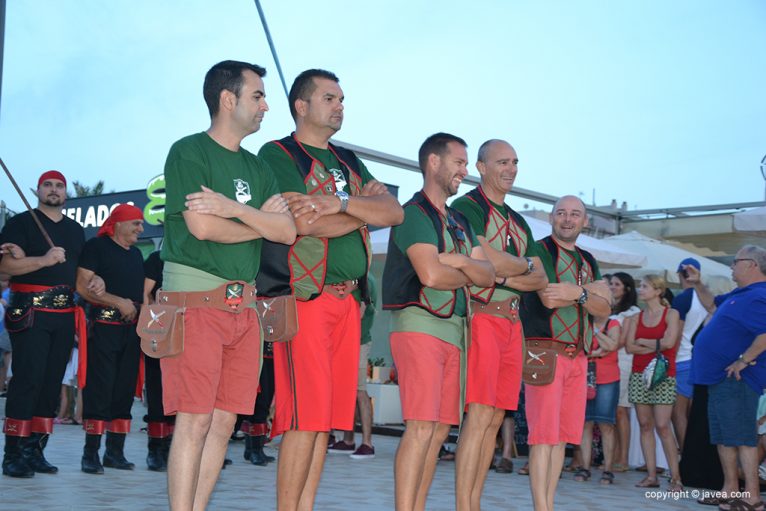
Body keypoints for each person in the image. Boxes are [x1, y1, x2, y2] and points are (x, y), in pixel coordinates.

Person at [258, 68, 403, 511]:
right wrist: (364, 211)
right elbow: (299, 222)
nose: (340, 106)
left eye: (341, 99)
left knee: (324, 423)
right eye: (329, 98)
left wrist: (339, 204)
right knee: (304, 420)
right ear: (301, 106)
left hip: (348, 302)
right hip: (305, 298)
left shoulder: (347, 162)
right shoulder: (279, 153)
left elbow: (393, 211)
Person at [160, 60, 296, 510]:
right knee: (194, 421)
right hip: (196, 302)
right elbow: (201, 227)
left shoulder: (258, 168)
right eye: (257, 96)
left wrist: (232, 209)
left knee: (223, 423)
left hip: (245, 309)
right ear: (228, 99)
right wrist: (261, 221)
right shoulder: (189, 152)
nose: (265, 106)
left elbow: (289, 232)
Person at [382, 132, 494, 511]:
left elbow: (488, 274)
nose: (465, 170)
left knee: (439, 429)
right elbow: (430, 275)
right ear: (434, 162)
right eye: (459, 162)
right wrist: (467, 268)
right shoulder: (413, 212)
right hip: (420, 327)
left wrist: (459, 262)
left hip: (454, 333)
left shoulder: (459, 220)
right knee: (421, 426)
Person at [450, 139, 547, 511]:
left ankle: (475, 500)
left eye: (515, 162)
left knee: (494, 418)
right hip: (481, 317)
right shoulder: (466, 206)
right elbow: (482, 257)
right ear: (481, 167)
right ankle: (464, 504)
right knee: (478, 416)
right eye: (502, 162)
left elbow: (540, 278)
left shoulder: (520, 221)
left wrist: (505, 274)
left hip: (512, 323)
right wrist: (518, 267)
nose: (511, 169)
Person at [0, 171, 104, 478]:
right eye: (48, 185)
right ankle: (13, 453)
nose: (54, 190)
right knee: (27, 379)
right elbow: (5, 266)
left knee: (50, 384)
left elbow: (80, 272)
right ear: (38, 190)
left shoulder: (74, 230)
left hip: (63, 315)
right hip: (29, 312)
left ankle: (35, 451)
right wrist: (43, 260)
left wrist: (95, 279)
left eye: (59, 185)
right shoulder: (21, 222)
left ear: (66, 192)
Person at [518, 195, 611, 511]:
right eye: (561, 213)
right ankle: (541, 507)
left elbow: (604, 307)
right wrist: (587, 296)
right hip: (543, 350)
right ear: (551, 218)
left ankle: (549, 505)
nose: (568, 219)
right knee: (542, 436)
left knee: (560, 438)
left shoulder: (588, 259)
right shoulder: (538, 251)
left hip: (578, 356)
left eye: (575, 214)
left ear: (585, 221)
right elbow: (548, 297)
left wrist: (578, 293)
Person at [691, 245, 766, 511]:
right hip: (720, 378)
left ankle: (752, 497)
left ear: (752, 265)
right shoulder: (740, 294)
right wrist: (698, 283)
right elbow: (712, 303)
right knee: (724, 436)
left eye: (735, 262)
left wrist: (743, 360)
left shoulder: (760, 295)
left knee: (743, 437)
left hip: (739, 378)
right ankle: (730, 489)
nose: (731, 267)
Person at [76, 204, 146, 474]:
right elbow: (83, 286)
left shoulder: (137, 254)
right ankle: (90, 453)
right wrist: (117, 301)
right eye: (136, 224)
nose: (141, 229)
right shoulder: (97, 247)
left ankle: (115, 453)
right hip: (104, 328)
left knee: (124, 391)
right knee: (100, 389)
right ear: (118, 224)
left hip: (132, 330)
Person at [625, 274, 682, 492]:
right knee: (645, 425)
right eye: (640, 285)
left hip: (664, 375)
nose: (640, 289)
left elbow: (670, 342)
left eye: (645, 286)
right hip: (639, 374)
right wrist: (657, 347)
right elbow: (629, 347)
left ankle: (676, 478)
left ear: (658, 291)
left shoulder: (672, 314)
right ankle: (651, 475)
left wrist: (645, 342)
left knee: (662, 425)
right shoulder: (634, 318)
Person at [328, 272, 378, 459]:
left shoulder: (365, 279)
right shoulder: (358, 277)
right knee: (349, 390)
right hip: (348, 342)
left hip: (358, 342)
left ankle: (367, 443)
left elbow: (360, 310)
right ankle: (348, 440)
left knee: (360, 390)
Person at [573, 313, 621, 485]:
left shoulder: (613, 323)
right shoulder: (582, 322)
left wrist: (595, 332)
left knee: (606, 424)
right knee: (585, 423)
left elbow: (613, 345)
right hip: (583, 377)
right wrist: (599, 350)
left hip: (607, 379)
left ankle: (608, 469)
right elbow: (578, 348)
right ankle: (585, 467)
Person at [142, 249, 175, 471]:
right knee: (157, 389)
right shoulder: (158, 258)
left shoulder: (195, 258)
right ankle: (155, 449)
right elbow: (145, 295)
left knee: (183, 390)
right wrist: (149, 327)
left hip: (189, 329)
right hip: (160, 328)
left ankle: (175, 448)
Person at [670, 257, 706, 452]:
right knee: (695, 413)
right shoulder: (707, 297)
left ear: (679, 274)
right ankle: (695, 456)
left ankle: (687, 456)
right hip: (701, 360)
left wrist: (670, 361)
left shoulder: (683, 298)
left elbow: (676, 333)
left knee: (679, 413)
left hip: (682, 358)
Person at [608, 272, 640, 472]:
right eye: (610, 283)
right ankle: (614, 456)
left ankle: (623, 458)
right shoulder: (608, 307)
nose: (612, 287)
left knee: (621, 410)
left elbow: (623, 339)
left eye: (616, 284)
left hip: (623, 362)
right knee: (611, 412)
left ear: (627, 288)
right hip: (606, 361)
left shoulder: (633, 312)